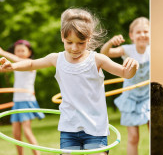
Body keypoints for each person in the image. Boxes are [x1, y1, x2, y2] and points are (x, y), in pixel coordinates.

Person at [0, 8, 139, 155]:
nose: (74, 48)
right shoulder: (56, 58)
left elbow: (126, 73)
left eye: (80, 42)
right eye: (69, 42)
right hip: (69, 128)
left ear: (89, 38)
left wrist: (133, 65)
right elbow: (31, 64)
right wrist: (13, 66)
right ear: (62, 37)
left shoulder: (97, 59)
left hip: (95, 128)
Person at [100, 17, 150, 155]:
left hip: (149, 96)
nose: (142, 35)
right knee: (133, 138)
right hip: (130, 97)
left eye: (146, 31)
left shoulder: (153, 50)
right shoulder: (127, 49)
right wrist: (110, 42)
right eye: (138, 32)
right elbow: (103, 54)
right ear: (131, 35)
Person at [0, 40, 45, 155]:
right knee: (15, 134)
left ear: (29, 52)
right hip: (17, 101)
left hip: (27, 99)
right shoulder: (15, 65)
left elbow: (20, 61)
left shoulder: (30, 63)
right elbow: (4, 68)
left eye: (22, 50)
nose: (19, 53)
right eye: (17, 51)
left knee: (27, 131)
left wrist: (3, 52)